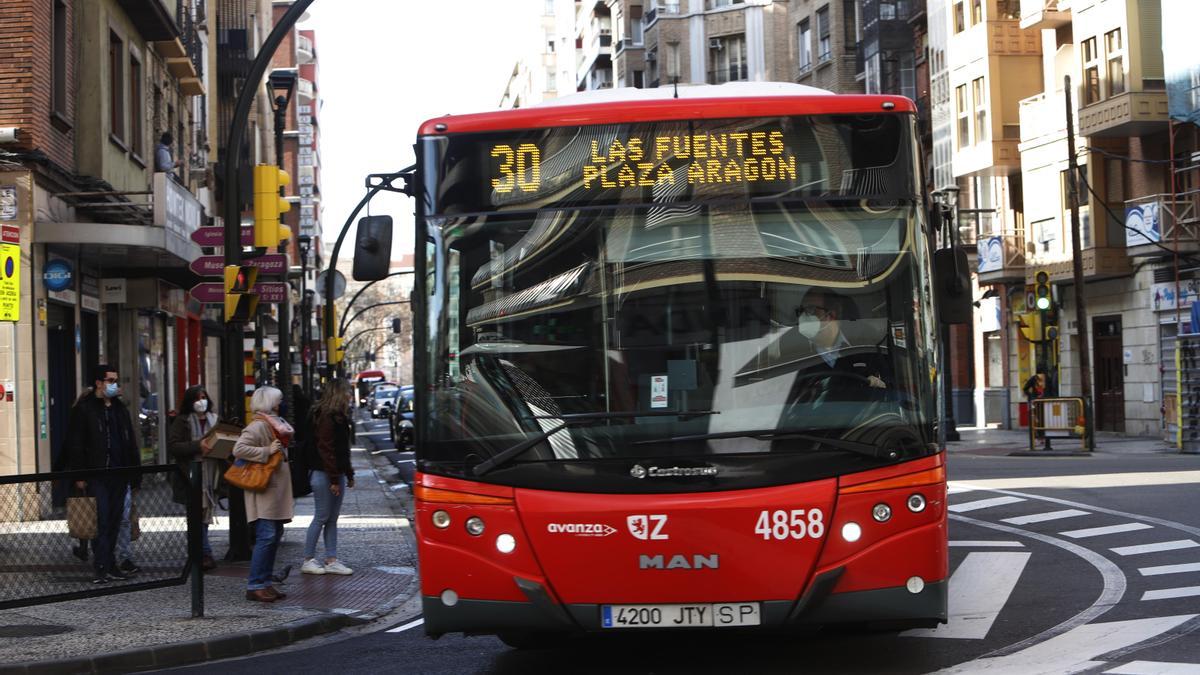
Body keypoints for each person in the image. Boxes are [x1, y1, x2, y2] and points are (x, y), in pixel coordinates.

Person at [65, 365, 141, 584]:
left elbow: (130, 442)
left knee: (117, 519)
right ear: (99, 383)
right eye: (110, 380)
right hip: (96, 474)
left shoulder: (119, 409)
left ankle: (111, 564)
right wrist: (79, 475)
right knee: (102, 519)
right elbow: (76, 443)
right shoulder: (85, 409)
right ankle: (101, 565)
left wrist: (135, 474)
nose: (114, 385)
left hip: (118, 473)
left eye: (115, 380)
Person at [232, 386, 295, 602]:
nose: (280, 404)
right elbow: (239, 449)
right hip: (265, 489)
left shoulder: (274, 426)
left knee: (274, 536)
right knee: (267, 536)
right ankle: (256, 584)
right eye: (278, 401)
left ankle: (265, 582)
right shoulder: (259, 426)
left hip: (274, 489)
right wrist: (266, 451)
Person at [787, 288, 889, 406]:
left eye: (811, 310)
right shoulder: (793, 354)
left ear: (832, 314)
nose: (803, 317)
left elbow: (889, 386)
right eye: (801, 311)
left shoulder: (864, 345)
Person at [302, 379, 355, 576]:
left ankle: (331, 559)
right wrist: (334, 478)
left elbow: (342, 450)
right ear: (338, 394)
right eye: (347, 392)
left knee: (331, 518)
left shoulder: (337, 416)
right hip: (324, 473)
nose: (350, 396)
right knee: (322, 517)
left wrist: (347, 473)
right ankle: (308, 559)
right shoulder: (327, 417)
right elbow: (327, 450)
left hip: (333, 473)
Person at [167, 385, 222, 571]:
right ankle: (202, 553)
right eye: (198, 397)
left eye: (204, 396)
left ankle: (201, 552)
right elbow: (174, 446)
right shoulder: (182, 421)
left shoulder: (215, 420)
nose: (202, 401)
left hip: (210, 474)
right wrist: (198, 446)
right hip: (190, 475)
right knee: (196, 516)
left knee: (204, 516)